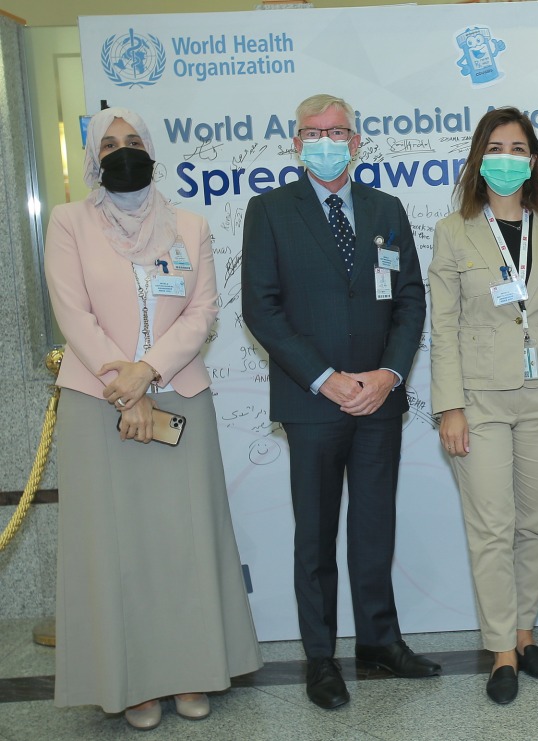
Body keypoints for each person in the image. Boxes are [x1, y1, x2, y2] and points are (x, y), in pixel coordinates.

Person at [45, 106, 261, 730]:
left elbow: (202, 311)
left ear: (153, 149)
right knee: (119, 548)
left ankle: (192, 670)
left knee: (183, 544)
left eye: (133, 141)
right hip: (98, 402)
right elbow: (72, 310)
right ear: (92, 158)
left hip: (178, 395)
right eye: (109, 143)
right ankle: (132, 681)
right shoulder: (68, 223)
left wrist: (150, 372)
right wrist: (126, 383)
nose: (122, 151)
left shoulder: (188, 226)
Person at [241, 93, 437, 710]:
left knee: (375, 528)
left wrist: (389, 373)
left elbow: (409, 299)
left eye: (338, 132)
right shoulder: (270, 211)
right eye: (313, 132)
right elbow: (260, 308)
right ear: (296, 143)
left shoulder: (387, 208)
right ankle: (320, 658)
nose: (326, 141)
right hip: (313, 402)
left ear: (357, 142)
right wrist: (325, 377)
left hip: (379, 399)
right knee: (316, 535)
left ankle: (380, 640)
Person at [428, 107, 538, 705]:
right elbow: (442, 326)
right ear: (477, 158)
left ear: (535, 161)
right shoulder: (453, 231)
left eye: (518, 148)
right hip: (480, 400)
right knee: (491, 527)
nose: (507, 158)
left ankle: (524, 634)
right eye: (495, 147)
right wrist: (449, 407)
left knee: (536, 525)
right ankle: (500, 652)